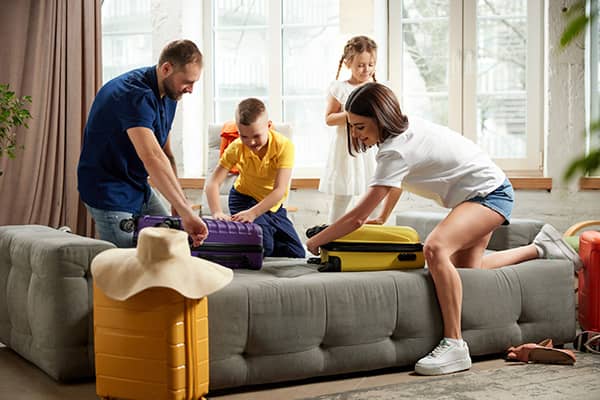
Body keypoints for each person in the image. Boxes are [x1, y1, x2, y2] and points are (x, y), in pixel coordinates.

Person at [306, 82, 582, 376]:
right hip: (482, 191)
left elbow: (356, 218)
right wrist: (384, 216)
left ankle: (455, 344)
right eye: (352, 127)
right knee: (469, 268)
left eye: (360, 126)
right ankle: (542, 247)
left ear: (379, 117)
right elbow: (394, 185)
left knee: (435, 249)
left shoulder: (395, 150)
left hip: (489, 194)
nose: (356, 134)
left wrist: (316, 242)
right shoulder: (401, 133)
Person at [77, 39, 207, 248]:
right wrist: (185, 210)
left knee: (170, 247)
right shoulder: (133, 94)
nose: (190, 89)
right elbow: (151, 157)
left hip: (137, 185)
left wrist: (179, 201)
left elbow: (165, 154)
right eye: (187, 82)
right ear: (166, 69)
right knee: (128, 264)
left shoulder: (169, 95)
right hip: (108, 189)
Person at [205, 98, 305, 258]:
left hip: (273, 205)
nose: (251, 142)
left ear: (268, 125)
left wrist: (254, 214)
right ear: (238, 132)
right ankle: (252, 239)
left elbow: (279, 190)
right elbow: (213, 183)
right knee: (264, 246)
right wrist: (216, 211)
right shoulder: (236, 147)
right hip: (244, 200)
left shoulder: (284, 146)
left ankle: (256, 234)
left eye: (257, 136)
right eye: (244, 136)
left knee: (297, 253)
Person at [320, 35, 398, 224]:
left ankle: (374, 234)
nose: (366, 69)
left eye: (371, 64)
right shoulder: (339, 88)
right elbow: (329, 119)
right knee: (342, 195)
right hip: (347, 149)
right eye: (361, 65)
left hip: (371, 148)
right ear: (348, 63)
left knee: (375, 193)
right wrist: (354, 115)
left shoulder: (378, 88)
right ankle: (331, 235)